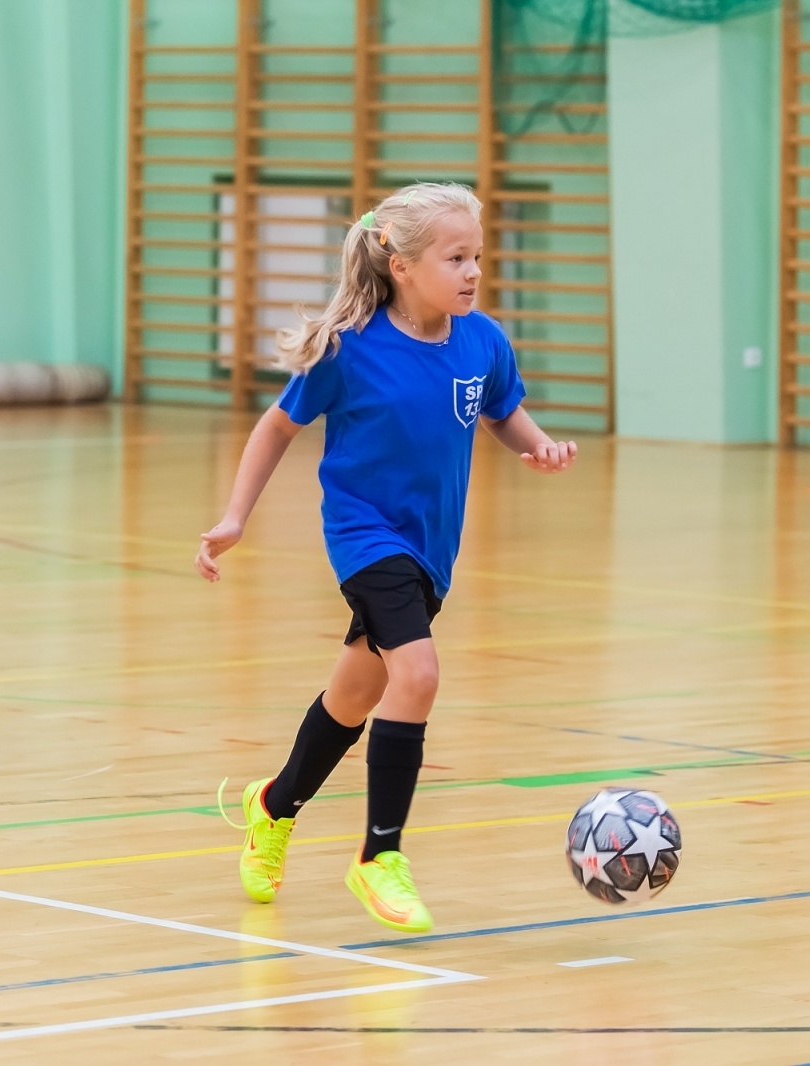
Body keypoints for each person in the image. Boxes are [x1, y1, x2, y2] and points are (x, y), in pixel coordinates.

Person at [196, 182, 576, 932]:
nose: (471, 272)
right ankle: (380, 857)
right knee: (419, 673)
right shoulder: (352, 349)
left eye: (476, 256)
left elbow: (500, 410)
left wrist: (538, 446)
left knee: (355, 696)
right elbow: (277, 428)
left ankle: (271, 807)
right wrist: (235, 516)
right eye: (454, 257)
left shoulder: (482, 341)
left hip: (432, 547)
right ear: (400, 265)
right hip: (366, 536)